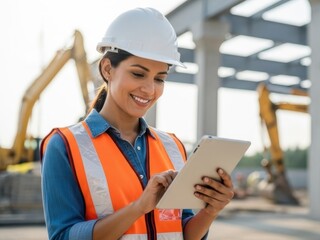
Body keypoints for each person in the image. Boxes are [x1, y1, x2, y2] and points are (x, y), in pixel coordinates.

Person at [41, 7, 234, 240]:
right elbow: (62, 236)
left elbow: (183, 232)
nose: (150, 89)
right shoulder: (65, 146)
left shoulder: (173, 146)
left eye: (160, 78)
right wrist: (139, 207)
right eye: (138, 74)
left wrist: (210, 211)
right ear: (107, 69)